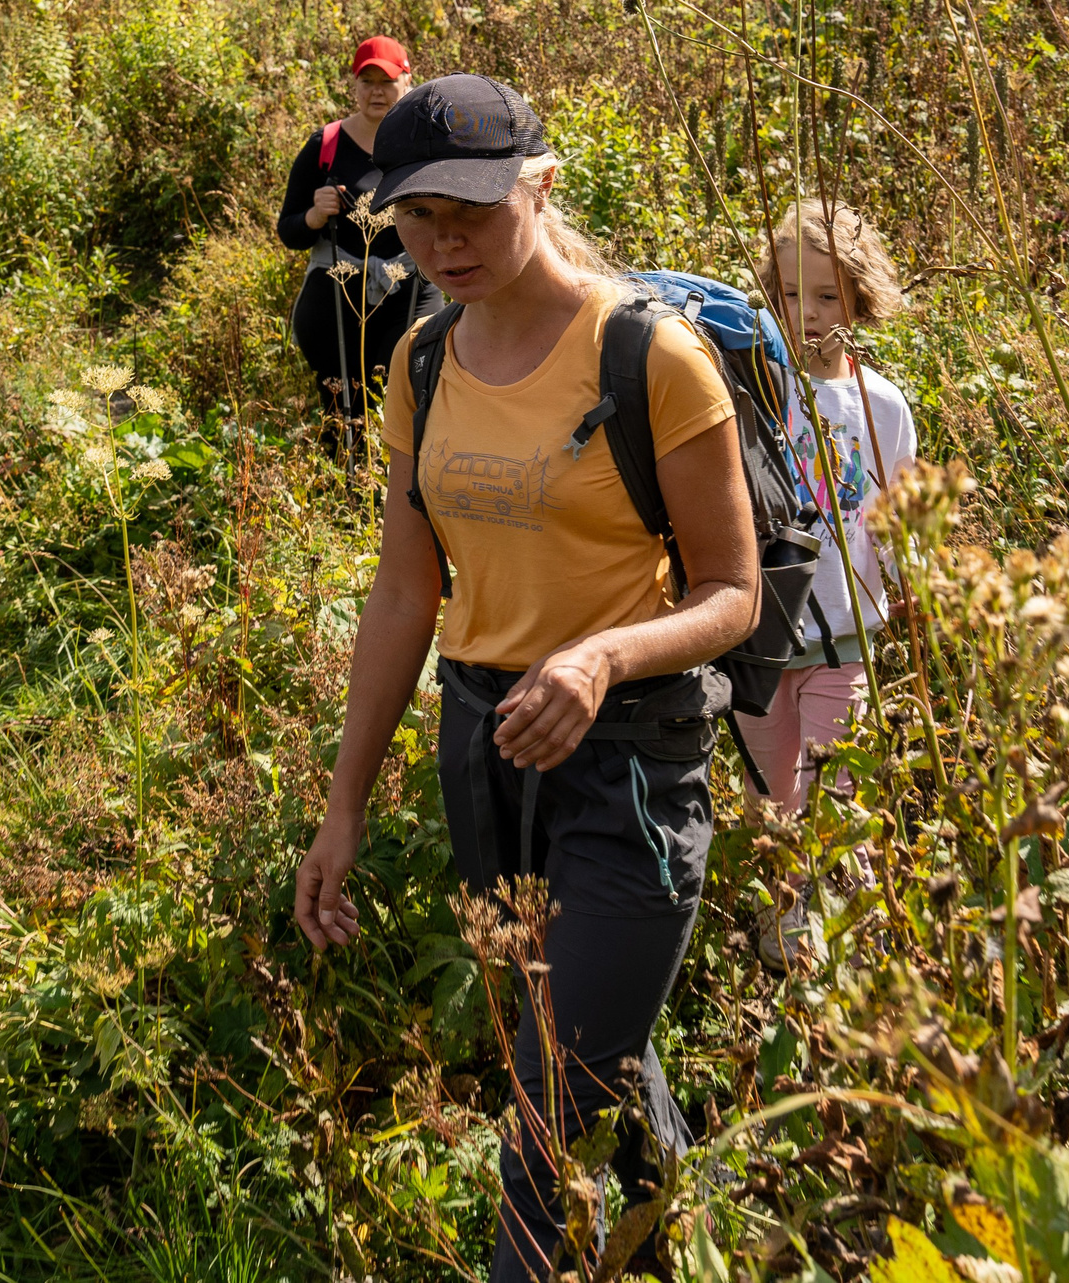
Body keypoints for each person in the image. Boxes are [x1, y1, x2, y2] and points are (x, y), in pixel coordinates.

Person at [290, 73, 759, 1283]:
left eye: (475, 213)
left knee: (552, 1100)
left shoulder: (649, 356)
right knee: (583, 1043)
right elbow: (405, 595)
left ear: (541, 189)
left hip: (631, 763)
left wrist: (602, 656)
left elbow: (731, 594)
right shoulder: (422, 360)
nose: (446, 244)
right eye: (419, 218)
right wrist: (340, 810)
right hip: (485, 752)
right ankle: (680, 1249)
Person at [749, 199, 916, 966]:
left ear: (859, 296)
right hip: (757, 640)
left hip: (844, 638)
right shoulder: (756, 389)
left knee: (830, 800)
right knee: (772, 811)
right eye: (790, 295)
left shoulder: (882, 404)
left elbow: (899, 517)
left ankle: (845, 947)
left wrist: (909, 590)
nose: (808, 315)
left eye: (827, 296)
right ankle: (782, 949)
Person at [277, 36, 443, 432]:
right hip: (334, 291)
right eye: (366, 81)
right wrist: (316, 215)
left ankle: (402, 482)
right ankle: (345, 484)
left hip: (409, 287)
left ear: (407, 81)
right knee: (339, 405)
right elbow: (289, 230)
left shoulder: (426, 142)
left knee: (406, 389)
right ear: (353, 86)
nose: (376, 92)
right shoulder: (326, 145)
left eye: (386, 81)